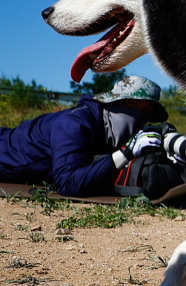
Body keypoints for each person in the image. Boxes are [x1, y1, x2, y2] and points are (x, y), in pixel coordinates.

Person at [0, 76, 170, 197]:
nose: (142, 123)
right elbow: (67, 184)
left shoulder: (103, 130)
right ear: (119, 104)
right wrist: (125, 153)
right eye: (141, 112)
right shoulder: (74, 124)